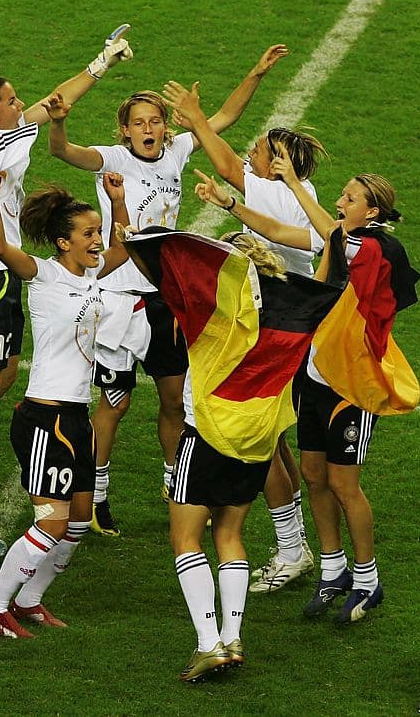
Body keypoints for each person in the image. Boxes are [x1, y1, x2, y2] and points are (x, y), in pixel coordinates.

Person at [48, 45, 290, 536]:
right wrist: (57, 122)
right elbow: (61, 151)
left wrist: (256, 73)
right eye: (139, 122)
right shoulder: (111, 158)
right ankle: (96, 496)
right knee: (114, 402)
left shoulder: (178, 148)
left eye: (155, 120)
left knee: (175, 398)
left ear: (164, 126)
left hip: (166, 296)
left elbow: (221, 116)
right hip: (118, 298)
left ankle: (173, 482)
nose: (149, 129)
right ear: (124, 130)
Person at [0, 0, 133, 525]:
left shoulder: (10, 134)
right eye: (10, 101)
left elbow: (55, 101)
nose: (22, 106)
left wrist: (100, 62)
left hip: (0, 275)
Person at [194, 160, 420, 624]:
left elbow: (334, 237)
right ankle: (333, 568)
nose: (340, 203)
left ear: (372, 211)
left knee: (344, 483)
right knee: (315, 474)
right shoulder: (343, 239)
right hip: (315, 373)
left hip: (351, 382)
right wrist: (230, 204)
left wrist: (295, 184)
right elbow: (280, 230)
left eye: (349, 199)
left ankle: (367, 578)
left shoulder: (375, 247)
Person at [162, 80, 331, 592]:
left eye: (258, 149)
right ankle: (294, 541)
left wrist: (194, 119)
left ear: (279, 163)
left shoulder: (280, 194)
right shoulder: (302, 196)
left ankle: (289, 547)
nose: (248, 153)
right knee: (273, 440)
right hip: (283, 334)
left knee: (261, 440)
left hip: (270, 338)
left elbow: (231, 170)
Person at [0, 172, 130, 638]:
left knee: (78, 521)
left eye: (98, 232)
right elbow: (2, 248)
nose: (98, 241)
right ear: (63, 242)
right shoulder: (45, 276)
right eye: (88, 233)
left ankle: (29, 599)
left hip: (77, 417)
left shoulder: (92, 276)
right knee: (52, 523)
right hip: (44, 419)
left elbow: (124, 249)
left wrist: (117, 203)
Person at [165, 232, 290, 681]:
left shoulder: (209, 312)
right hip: (254, 441)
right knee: (230, 535)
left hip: (206, 436)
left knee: (186, 539)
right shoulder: (279, 314)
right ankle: (233, 636)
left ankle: (207, 643)